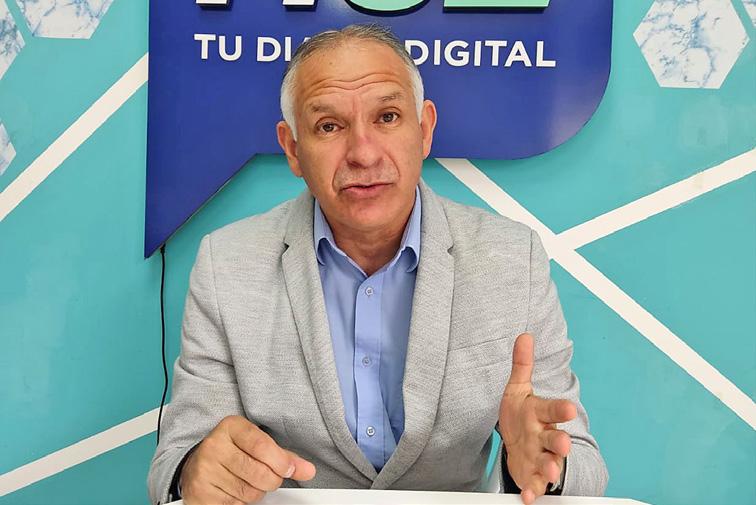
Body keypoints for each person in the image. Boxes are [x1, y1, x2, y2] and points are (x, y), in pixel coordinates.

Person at [148, 23, 608, 505]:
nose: (363, 154)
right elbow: (173, 464)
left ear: (424, 130)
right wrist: (196, 469)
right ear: (293, 149)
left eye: (387, 117)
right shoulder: (226, 264)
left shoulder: (513, 259)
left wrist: (544, 465)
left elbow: (584, 467)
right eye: (329, 126)